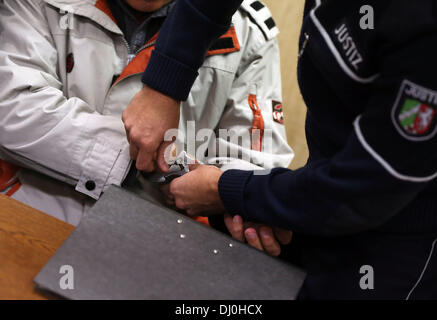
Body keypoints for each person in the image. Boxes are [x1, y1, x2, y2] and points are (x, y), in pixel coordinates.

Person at [126, 0, 437, 299]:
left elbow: (366, 188)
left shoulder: (423, 34)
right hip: (327, 194)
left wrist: (229, 192)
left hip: (396, 241)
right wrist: (164, 84)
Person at [0, 0, 293, 254]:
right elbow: (11, 107)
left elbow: (253, 155)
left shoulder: (247, 28)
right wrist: (159, 166)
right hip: (29, 219)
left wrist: (234, 199)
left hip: (155, 250)